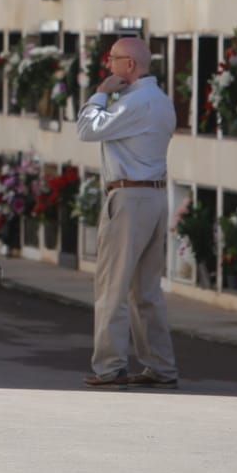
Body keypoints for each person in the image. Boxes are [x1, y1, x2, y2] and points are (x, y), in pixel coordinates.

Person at [76, 36, 180, 389]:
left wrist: (100, 94)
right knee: (147, 290)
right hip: (154, 197)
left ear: (130, 65)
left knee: (112, 287)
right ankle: (161, 367)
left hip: (128, 199)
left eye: (114, 59)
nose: (108, 65)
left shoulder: (137, 102)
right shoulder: (160, 100)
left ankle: (109, 367)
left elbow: (88, 129)